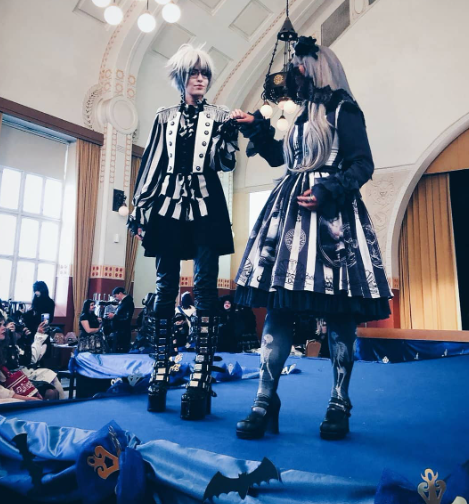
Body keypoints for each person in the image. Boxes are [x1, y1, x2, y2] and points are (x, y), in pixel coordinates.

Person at [231, 36, 392, 440]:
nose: (294, 73)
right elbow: (281, 159)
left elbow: (362, 164)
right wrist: (257, 128)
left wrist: (328, 190)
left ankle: (339, 401)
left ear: (318, 68)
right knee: (279, 307)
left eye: (300, 65)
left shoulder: (344, 109)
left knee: (339, 312)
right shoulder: (301, 115)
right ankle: (264, 399)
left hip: (332, 217)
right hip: (289, 214)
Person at [127, 44, 239, 419]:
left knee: (205, 286)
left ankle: (201, 372)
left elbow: (224, 163)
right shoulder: (164, 117)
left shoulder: (219, 115)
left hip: (208, 205)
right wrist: (140, 209)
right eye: (194, 73)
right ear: (181, 78)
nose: (200, 79)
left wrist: (228, 137)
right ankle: (161, 367)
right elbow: (153, 164)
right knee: (165, 287)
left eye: (205, 73)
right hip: (168, 205)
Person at [0, 315, 65, 401]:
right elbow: (11, 365)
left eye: (4, 325)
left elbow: (30, 360)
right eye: (1, 325)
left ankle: (62, 404)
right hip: (12, 381)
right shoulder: (6, 346)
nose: (4, 328)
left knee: (52, 381)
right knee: (50, 392)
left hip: (22, 376)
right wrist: (9, 336)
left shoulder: (17, 344)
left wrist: (27, 340)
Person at [108, 288, 134, 353]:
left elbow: (126, 318)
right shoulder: (123, 303)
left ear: (120, 293)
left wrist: (114, 316)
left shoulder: (128, 303)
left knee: (120, 351)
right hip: (119, 331)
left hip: (123, 331)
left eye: (115, 296)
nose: (115, 298)